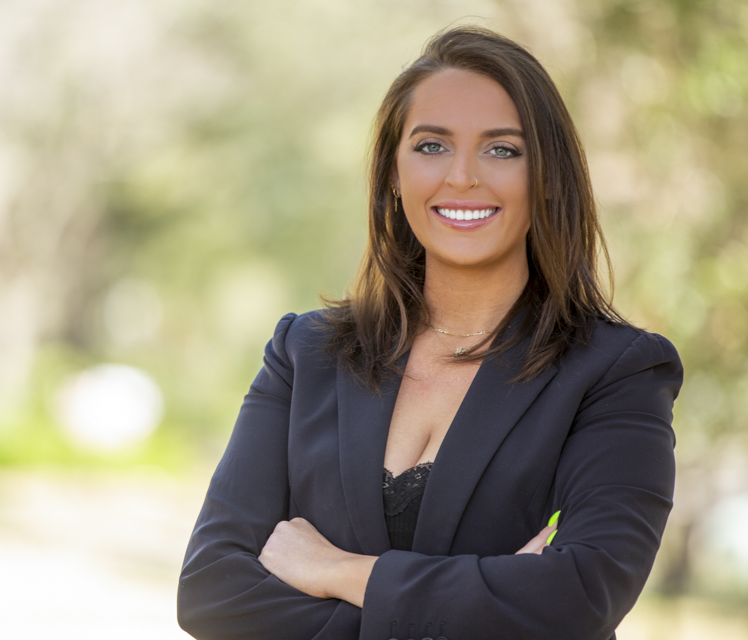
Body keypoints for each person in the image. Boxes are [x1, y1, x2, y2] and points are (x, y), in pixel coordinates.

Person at [177, 26, 683, 640]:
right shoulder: (304, 353)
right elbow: (210, 593)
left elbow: (578, 599)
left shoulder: (616, 373)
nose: (463, 177)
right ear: (393, 172)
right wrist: (484, 603)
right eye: (431, 146)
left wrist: (340, 571)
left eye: (502, 149)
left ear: (546, 174)